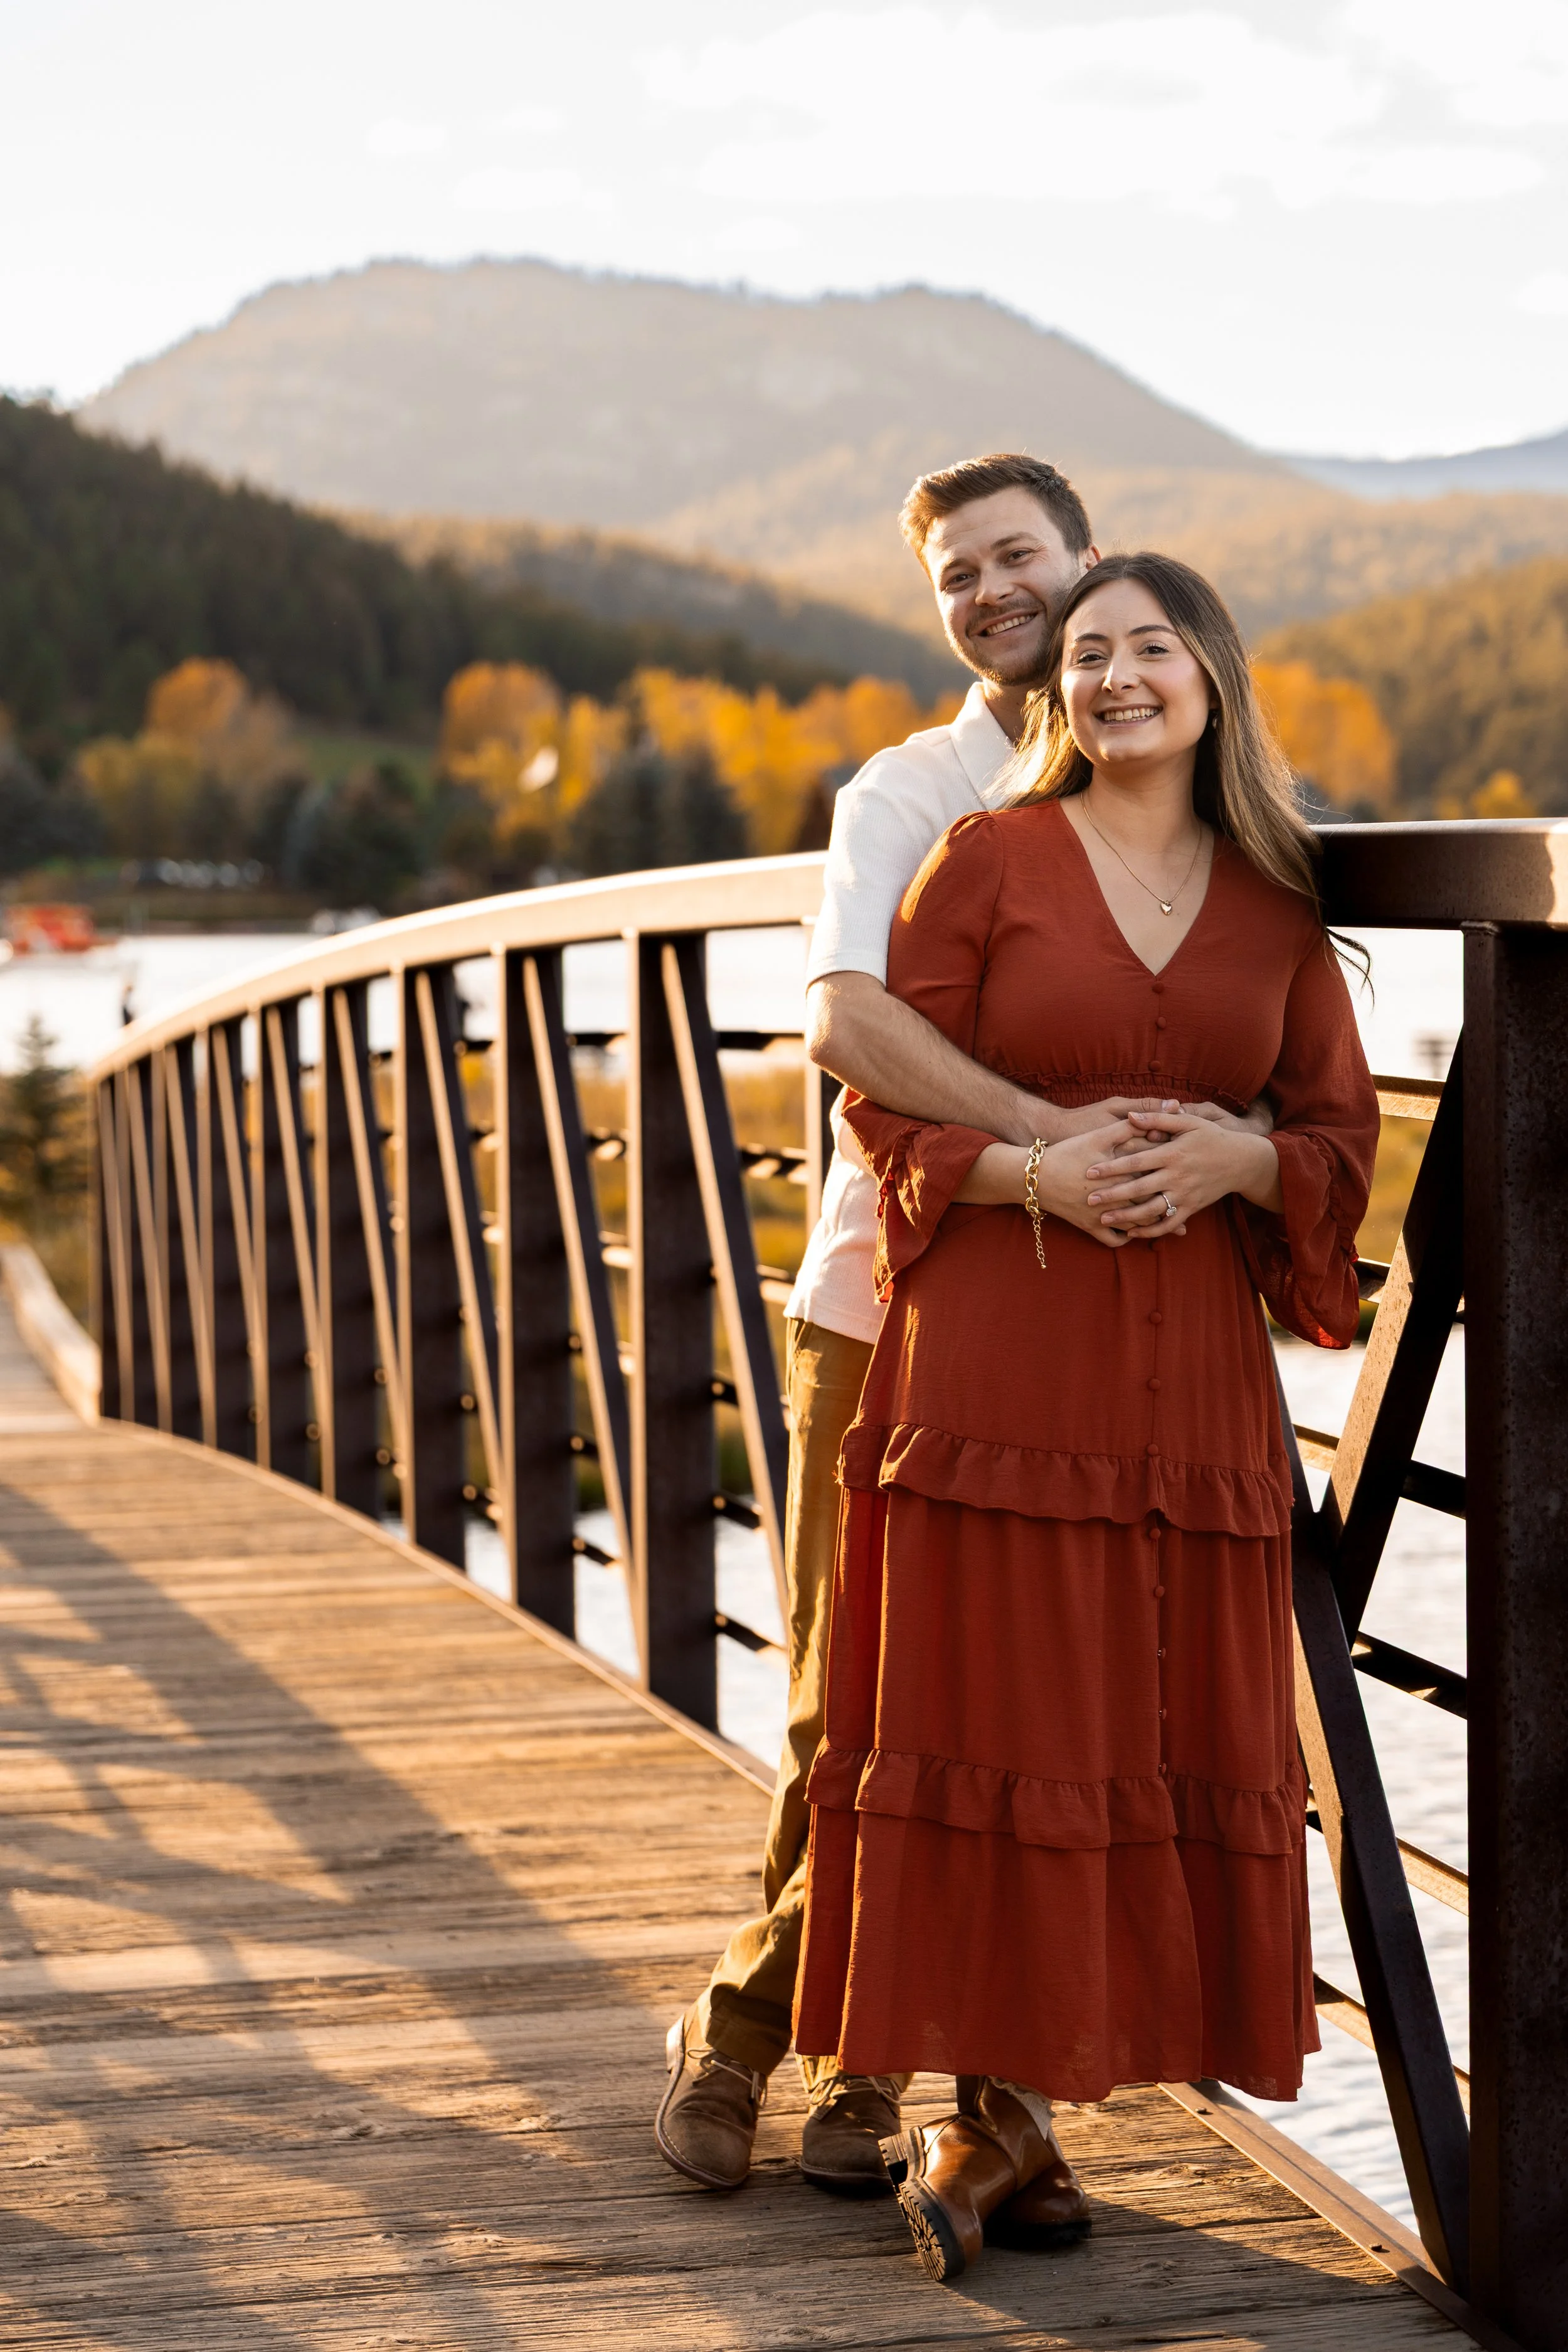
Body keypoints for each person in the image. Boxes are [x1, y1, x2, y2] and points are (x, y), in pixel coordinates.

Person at [655, 457, 1267, 2198]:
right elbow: (842, 1011)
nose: (990, 593)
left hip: (1099, 1336)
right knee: (854, 1707)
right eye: (956, 574)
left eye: (1019, 559)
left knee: (1024, 1715)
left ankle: (917, 2091)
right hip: (888, 1297)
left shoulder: (1175, 794)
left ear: (1092, 566)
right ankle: (743, 2029)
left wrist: (1233, 1153)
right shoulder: (910, 789)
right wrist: (1033, 1143)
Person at [791, 551, 1380, 2283]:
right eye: (1093, 653)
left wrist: (1245, 1154)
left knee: (1141, 1702)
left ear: (1211, 673)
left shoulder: (1276, 900)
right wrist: (1024, 1167)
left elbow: (1338, 1132)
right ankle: (983, 2106)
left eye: (1153, 646)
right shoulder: (984, 860)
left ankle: (1027, 2107)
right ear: (1063, 693)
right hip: (996, 1345)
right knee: (992, 1690)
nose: (1119, 675)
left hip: (1185, 1368)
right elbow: (872, 1106)